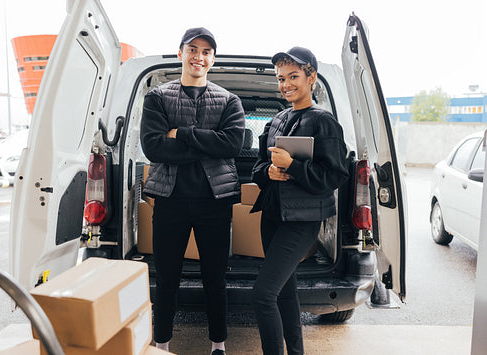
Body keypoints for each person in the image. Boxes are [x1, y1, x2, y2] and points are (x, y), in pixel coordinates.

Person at [140, 27, 245, 355]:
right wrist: (210, 143)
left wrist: (182, 134)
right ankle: (162, 344)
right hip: (170, 201)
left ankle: (218, 345)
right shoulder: (157, 97)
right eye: (193, 49)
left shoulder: (229, 100)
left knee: (214, 277)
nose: (199, 57)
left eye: (206, 52)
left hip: (214, 203)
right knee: (167, 277)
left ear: (213, 59)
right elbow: (154, 149)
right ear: (180, 53)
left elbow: (235, 144)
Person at [250, 47, 349, 355]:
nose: (286, 84)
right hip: (273, 217)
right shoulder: (277, 120)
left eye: (293, 76)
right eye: (281, 78)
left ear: (311, 77)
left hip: (302, 221)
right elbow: (256, 169)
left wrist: (292, 166)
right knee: (283, 293)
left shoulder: (323, 122)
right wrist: (269, 170)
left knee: (262, 294)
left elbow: (334, 176)